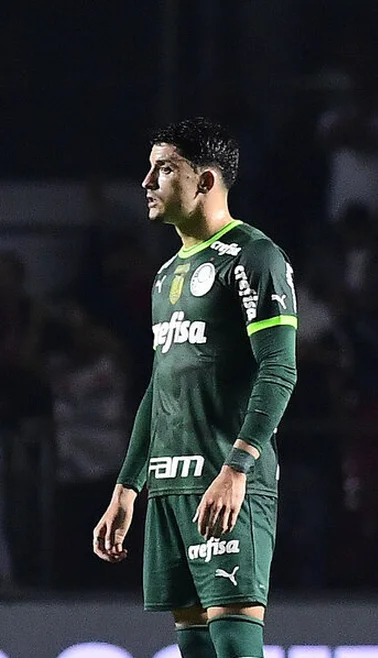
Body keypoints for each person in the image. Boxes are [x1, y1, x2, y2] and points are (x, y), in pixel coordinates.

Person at [92, 117, 299, 658]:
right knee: (198, 652)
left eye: (164, 169)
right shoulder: (165, 275)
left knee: (234, 646)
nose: (146, 181)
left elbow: (279, 368)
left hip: (225, 483)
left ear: (205, 180)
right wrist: (126, 487)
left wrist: (238, 468)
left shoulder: (255, 257)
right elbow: (159, 387)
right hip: (169, 489)